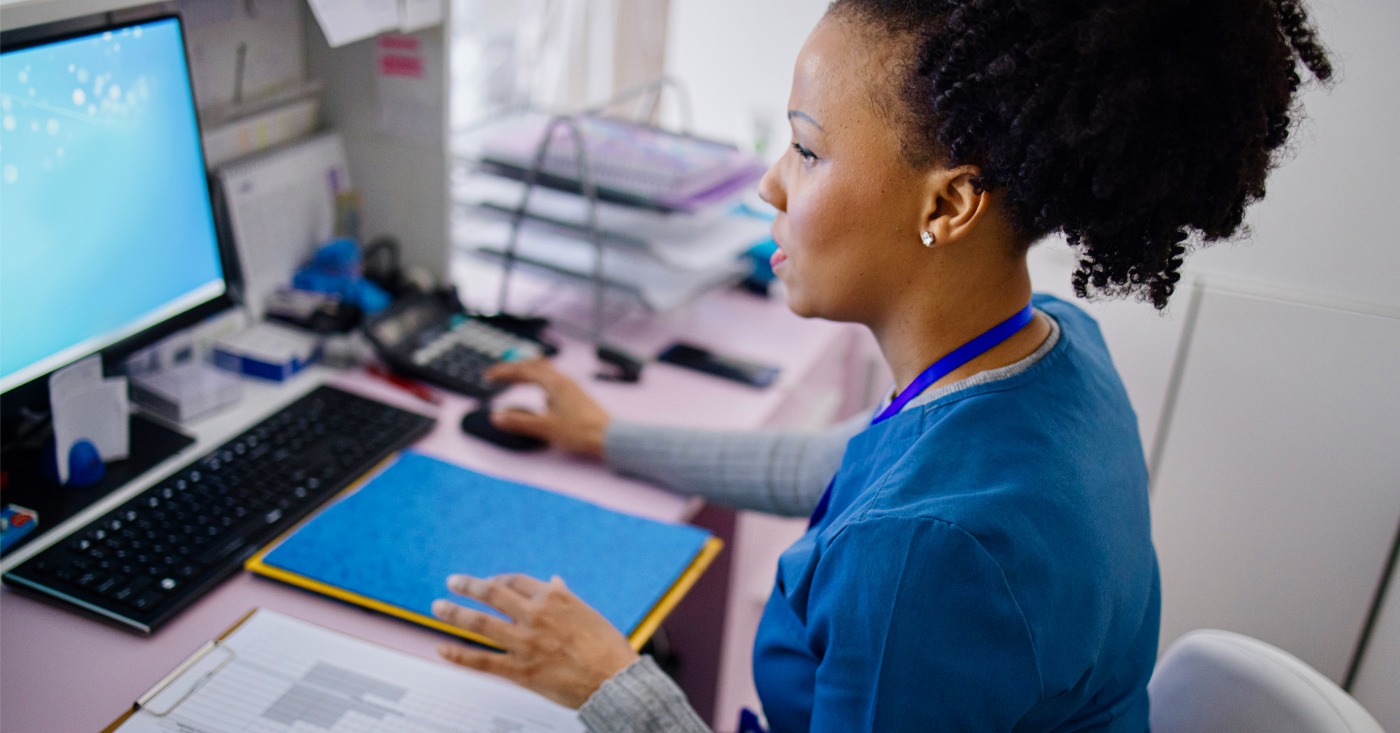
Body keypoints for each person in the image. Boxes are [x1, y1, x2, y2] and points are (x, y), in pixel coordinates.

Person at [430, 0, 1333, 730]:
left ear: (949, 203)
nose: (770, 184)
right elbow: (836, 465)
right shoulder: (1053, 349)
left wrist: (608, 680)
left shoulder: (923, 557)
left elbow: (900, 520)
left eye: (809, 149)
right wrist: (603, 431)